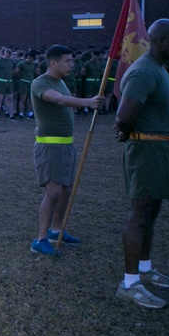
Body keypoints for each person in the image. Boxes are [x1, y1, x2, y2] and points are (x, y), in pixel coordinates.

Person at [113, 19, 169, 309]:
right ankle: (130, 284)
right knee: (139, 214)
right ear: (160, 41)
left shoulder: (158, 70)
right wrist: (128, 132)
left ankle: (145, 268)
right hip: (146, 150)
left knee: (151, 213)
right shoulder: (144, 71)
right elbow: (124, 114)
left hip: (159, 148)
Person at [28, 46, 105, 257]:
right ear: (53, 62)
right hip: (49, 145)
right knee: (53, 193)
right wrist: (87, 102)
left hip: (66, 144)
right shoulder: (40, 83)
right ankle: (40, 239)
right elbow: (59, 100)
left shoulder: (61, 82)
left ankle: (56, 230)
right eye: (68, 61)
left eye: (72, 61)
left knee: (66, 192)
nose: (72, 65)